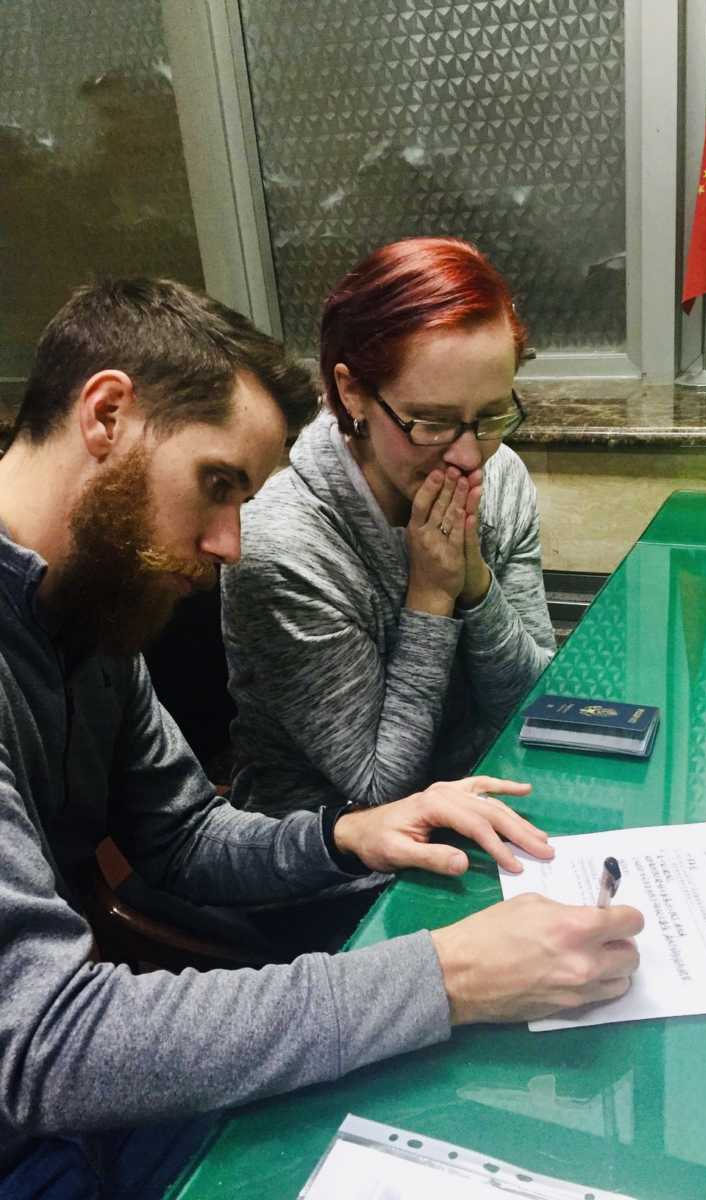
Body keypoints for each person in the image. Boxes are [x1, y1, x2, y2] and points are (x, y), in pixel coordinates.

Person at [0, 277, 642, 1191]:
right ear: (106, 414)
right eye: (217, 486)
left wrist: (344, 836)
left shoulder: (88, 602)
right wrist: (444, 977)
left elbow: (180, 836)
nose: (230, 542)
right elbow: (42, 1043)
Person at [221, 237, 557, 816]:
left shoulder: (501, 476)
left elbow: (533, 707)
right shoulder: (283, 550)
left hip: (479, 801)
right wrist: (430, 595)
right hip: (325, 851)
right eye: (431, 422)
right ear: (352, 391)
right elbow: (379, 791)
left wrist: (474, 583)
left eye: (493, 417)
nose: (470, 458)